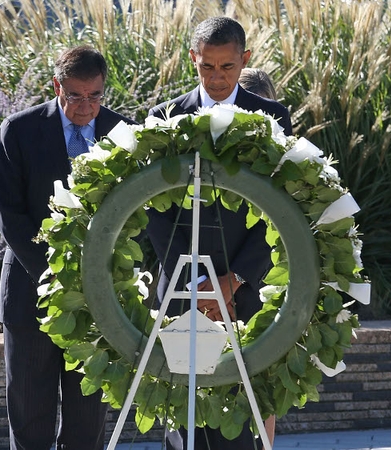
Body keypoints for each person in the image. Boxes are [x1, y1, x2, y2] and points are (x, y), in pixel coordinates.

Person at [147, 16, 292, 450]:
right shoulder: (164, 117)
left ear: (244, 59)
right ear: (193, 58)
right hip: (184, 289)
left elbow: (282, 210)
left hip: (247, 290)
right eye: (206, 66)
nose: (216, 77)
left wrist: (232, 280)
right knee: (186, 413)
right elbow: (154, 211)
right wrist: (194, 285)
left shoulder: (273, 117)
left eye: (227, 67)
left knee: (242, 414)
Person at [0, 45, 137, 450]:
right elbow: (11, 217)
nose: (86, 106)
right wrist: (59, 274)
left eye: (95, 96)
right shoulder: (18, 130)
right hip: (31, 294)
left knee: (86, 424)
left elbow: (138, 215)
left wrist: (102, 275)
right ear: (56, 86)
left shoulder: (124, 132)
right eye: (75, 96)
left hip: (101, 302)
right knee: (30, 420)